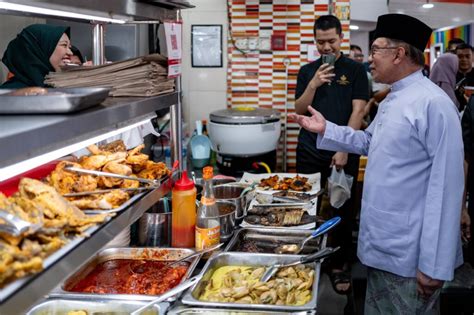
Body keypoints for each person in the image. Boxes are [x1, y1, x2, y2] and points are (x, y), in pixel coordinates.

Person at [290, 13, 464, 313]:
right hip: (383, 246)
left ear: (398, 54)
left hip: (410, 256)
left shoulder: (433, 104)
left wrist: (435, 264)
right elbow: (370, 141)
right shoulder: (393, 99)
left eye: (376, 50)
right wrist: (327, 130)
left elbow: (447, 187)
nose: (370, 59)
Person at [294, 14, 369, 295]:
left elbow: (358, 110)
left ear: (341, 38)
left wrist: (343, 147)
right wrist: (313, 84)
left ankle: (339, 264)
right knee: (306, 206)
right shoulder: (307, 71)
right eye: (320, 42)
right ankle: (308, 257)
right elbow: (300, 111)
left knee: (342, 208)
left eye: (331, 41)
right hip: (309, 149)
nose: (326, 47)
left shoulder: (356, 70)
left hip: (342, 150)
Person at [1, 24, 72, 89]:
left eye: (70, 47)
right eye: (64, 45)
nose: (70, 53)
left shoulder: (58, 86)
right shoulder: (10, 93)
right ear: (38, 49)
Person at [455, 43, 474, 111]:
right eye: (460, 56)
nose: (464, 59)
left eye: (467, 56)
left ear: (473, 57)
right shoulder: (450, 77)